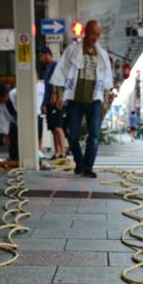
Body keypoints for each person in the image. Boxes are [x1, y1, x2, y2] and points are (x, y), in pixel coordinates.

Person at [49, 19, 113, 178]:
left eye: (97, 35)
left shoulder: (102, 55)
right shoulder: (72, 50)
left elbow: (106, 81)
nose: (94, 37)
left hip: (95, 100)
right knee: (73, 134)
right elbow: (61, 71)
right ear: (86, 32)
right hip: (75, 99)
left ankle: (88, 166)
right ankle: (79, 162)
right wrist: (58, 93)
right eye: (92, 33)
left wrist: (105, 101)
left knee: (95, 135)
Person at [40, 46, 67, 159]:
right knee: (52, 128)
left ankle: (63, 152)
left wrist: (56, 95)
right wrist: (44, 103)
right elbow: (46, 89)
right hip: (49, 103)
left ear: (47, 54)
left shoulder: (55, 65)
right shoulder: (47, 68)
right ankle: (57, 152)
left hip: (56, 101)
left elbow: (59, 81)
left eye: (41, 56)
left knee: (58, 127)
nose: (40, 58)